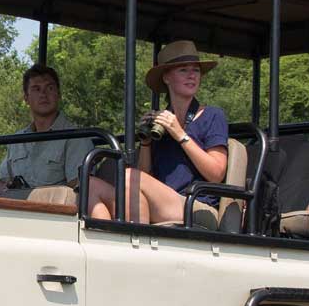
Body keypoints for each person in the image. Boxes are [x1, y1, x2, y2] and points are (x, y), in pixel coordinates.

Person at [87, 40, 228, 224]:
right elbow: (144, 175)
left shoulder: (213, 115)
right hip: (160, 201)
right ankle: (109, 238)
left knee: (129, 177)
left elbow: (216, 174)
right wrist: (146, 142)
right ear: (166, 77)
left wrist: (180, 135)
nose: (191, 75)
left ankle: (135, 238)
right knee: (90, 185)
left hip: (196, 204)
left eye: (196, 70)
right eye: (183, 70)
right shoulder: (160, 124)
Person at [0, 64, 91, 199]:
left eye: (49, 88)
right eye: (36, 89)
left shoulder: (76, 138)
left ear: (58, 94)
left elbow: (78, 193)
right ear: (26, 98)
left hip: (53, 212)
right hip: (15, 210)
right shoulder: (16, 140)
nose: (43, 94)